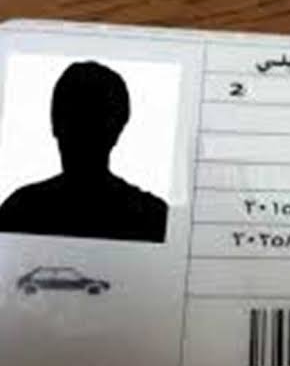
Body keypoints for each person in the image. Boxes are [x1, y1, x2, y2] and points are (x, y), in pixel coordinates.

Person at [0, 61, 168, 243]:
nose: (82, 132)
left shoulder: (22, 209)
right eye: (74, 119)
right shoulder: (151, 215)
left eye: (91, 121)